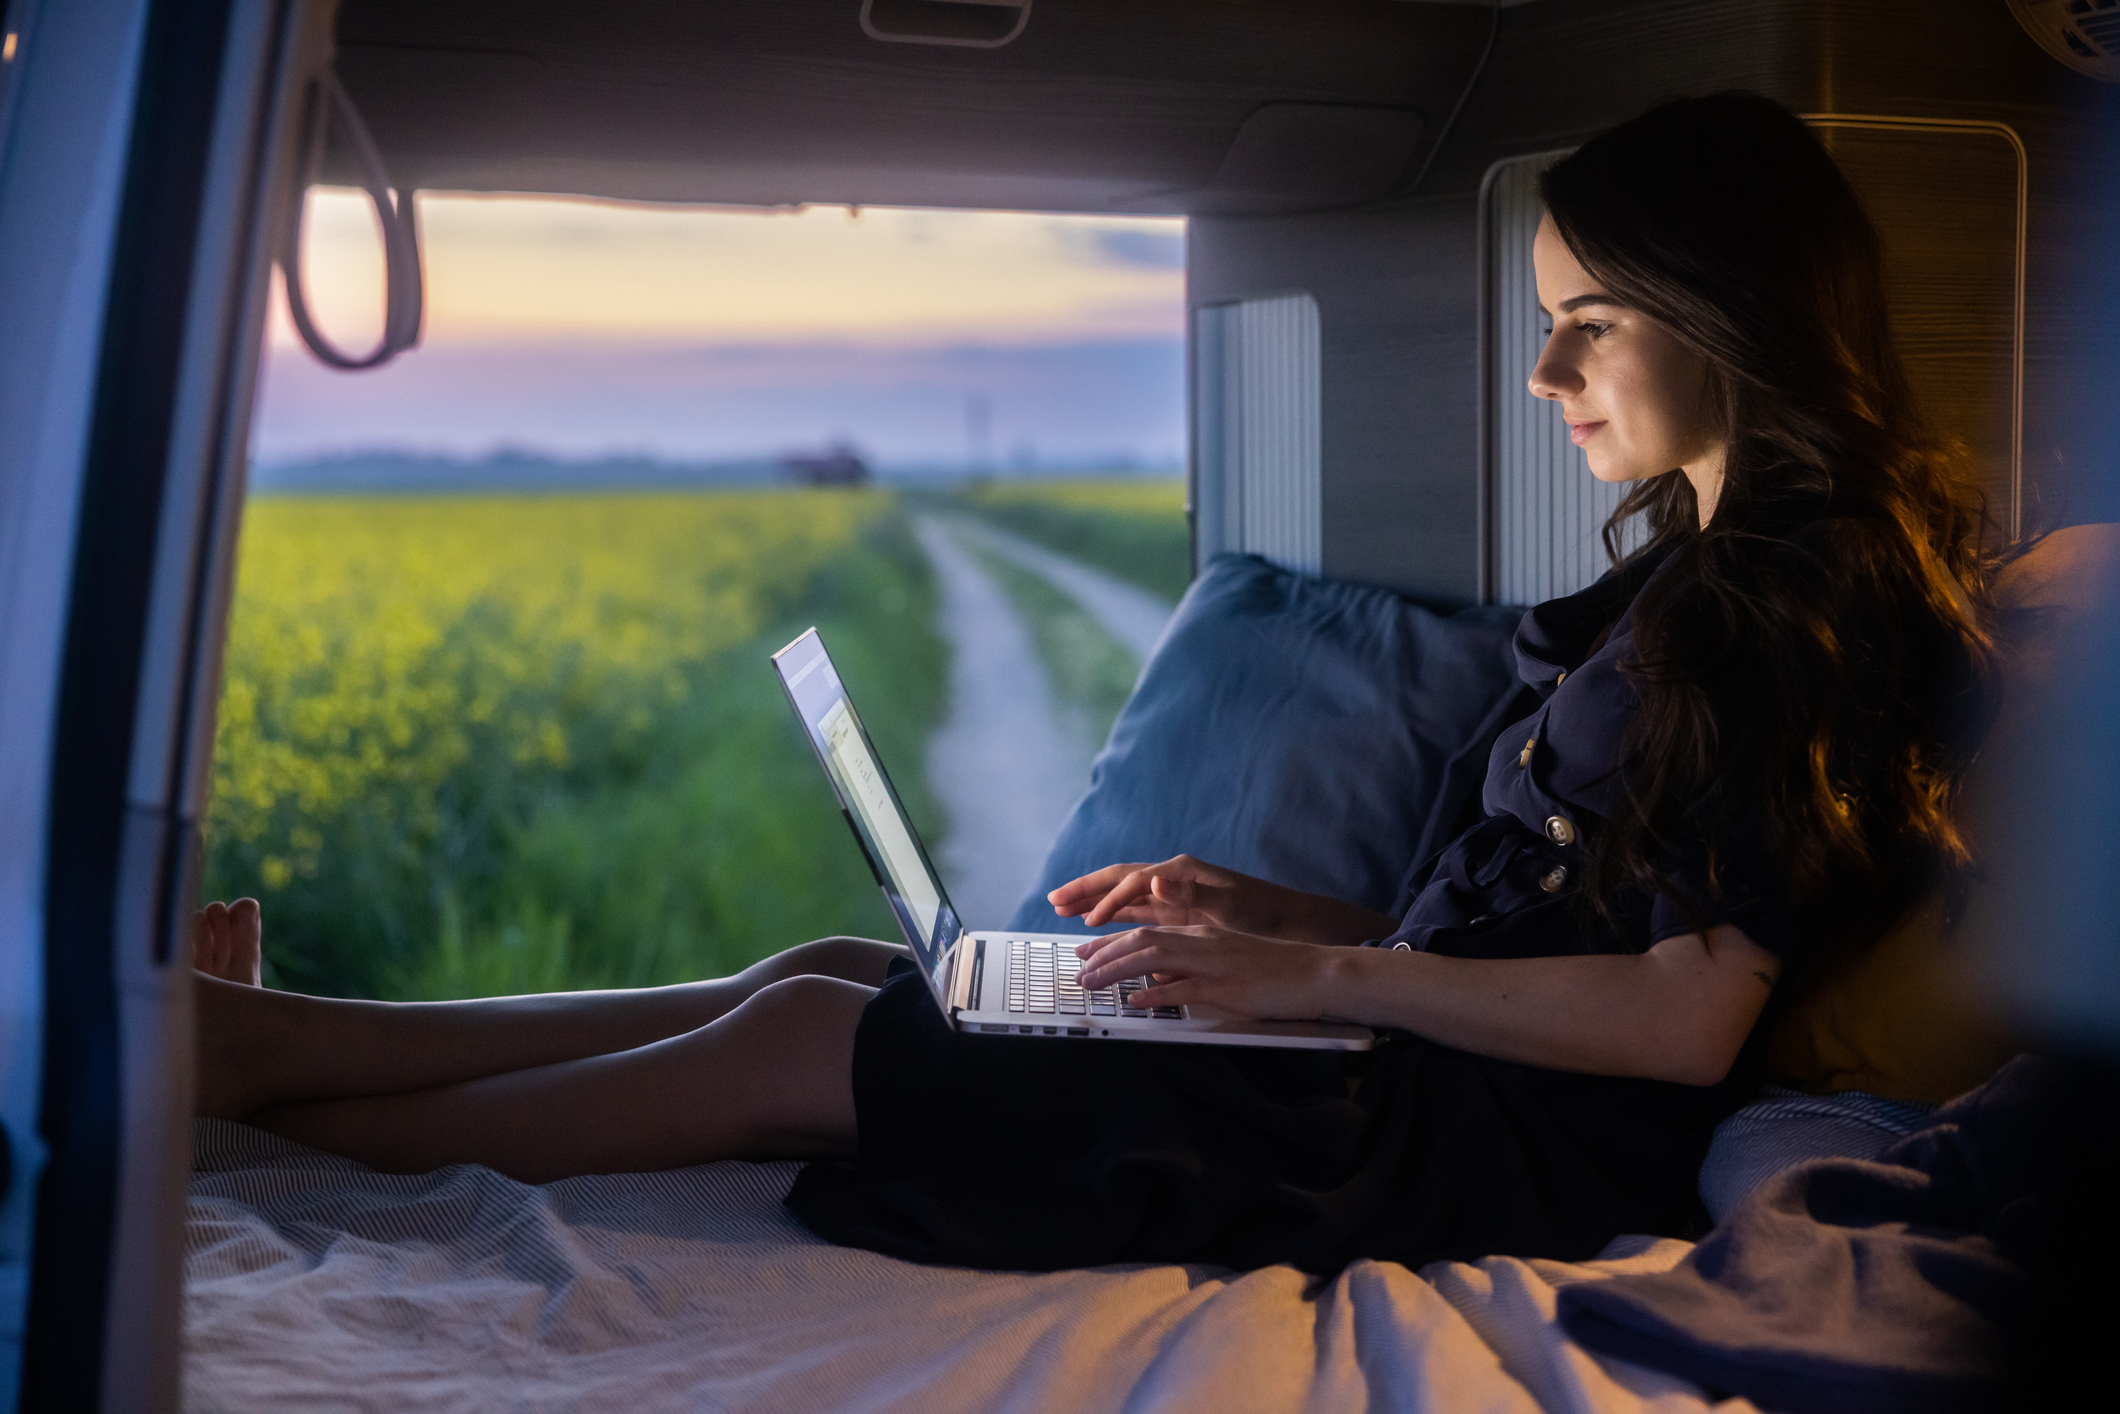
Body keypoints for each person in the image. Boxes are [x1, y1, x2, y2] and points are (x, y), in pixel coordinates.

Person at [194, 92, 2004, 1274]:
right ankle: (298, 1053)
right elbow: (1549, 924)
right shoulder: (1686, 574)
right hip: (1402, 1058)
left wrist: (1313, 977)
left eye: (1586, 323)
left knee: (800, 1043)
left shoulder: (1816, 598)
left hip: (1463, 1151)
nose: (1544, 373)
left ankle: (273, 1118)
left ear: (1737, 310)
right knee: (832, 969)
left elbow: (1684, 1012)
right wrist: (1270, 917)